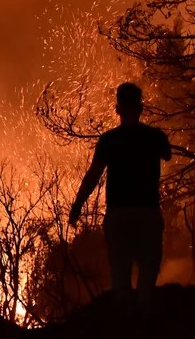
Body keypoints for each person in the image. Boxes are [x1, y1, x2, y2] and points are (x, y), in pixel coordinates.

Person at [69, 82, 171, 307]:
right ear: (140, 108)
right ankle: (142, 319)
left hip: (118, 216)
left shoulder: (109, 140)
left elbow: (93, 176)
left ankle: (125, 321)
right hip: (147, 213)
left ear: (118, 109)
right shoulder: (154, 137)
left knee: (120, 274)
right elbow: (167, 154)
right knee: (148, 270)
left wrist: (77, 205)